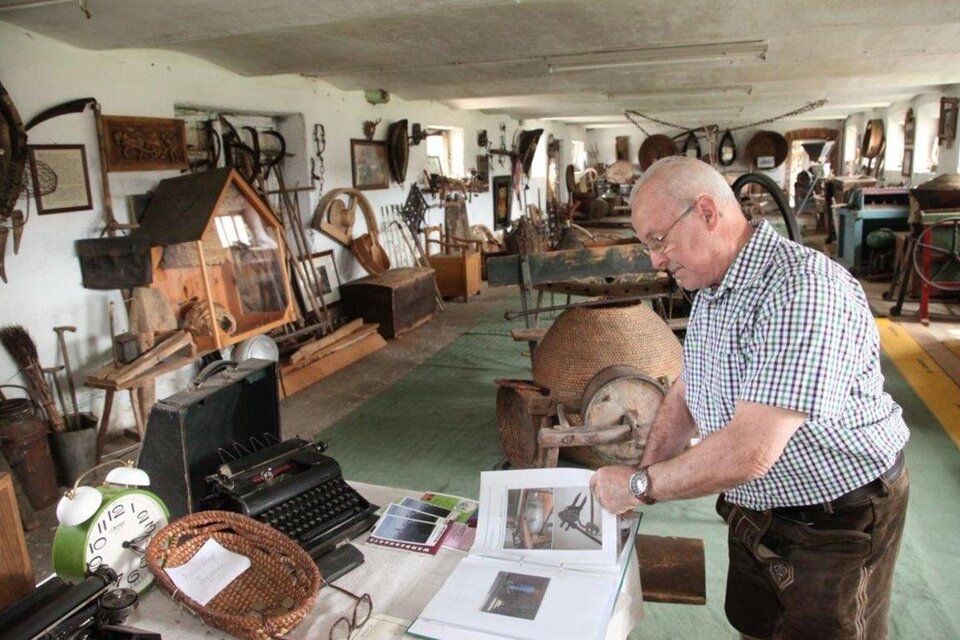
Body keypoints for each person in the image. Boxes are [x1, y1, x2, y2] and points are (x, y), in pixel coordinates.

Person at [590, 156, 910, 640]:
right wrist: (644, 473)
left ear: (706, 212)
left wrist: (640, 487)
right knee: (755, 625)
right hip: (755, 507)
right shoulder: (712, 288)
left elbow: (751, 449)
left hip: (835, 515)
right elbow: (687, 387)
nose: (655, 259)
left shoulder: (801, 288)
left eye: (658, 241)